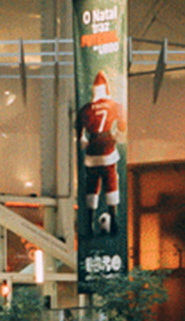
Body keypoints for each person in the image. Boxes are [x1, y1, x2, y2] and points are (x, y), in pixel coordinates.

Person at [77, 71, 126, 236]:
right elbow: (122, 123)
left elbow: (79, 131)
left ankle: (90, 224)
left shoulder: (86, 109)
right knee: (111, 184)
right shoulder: (114, 105)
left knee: (92, 188)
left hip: (92, 151)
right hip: (108, 147)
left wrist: (83, 141)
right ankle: (114, 221)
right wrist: (117, 137)